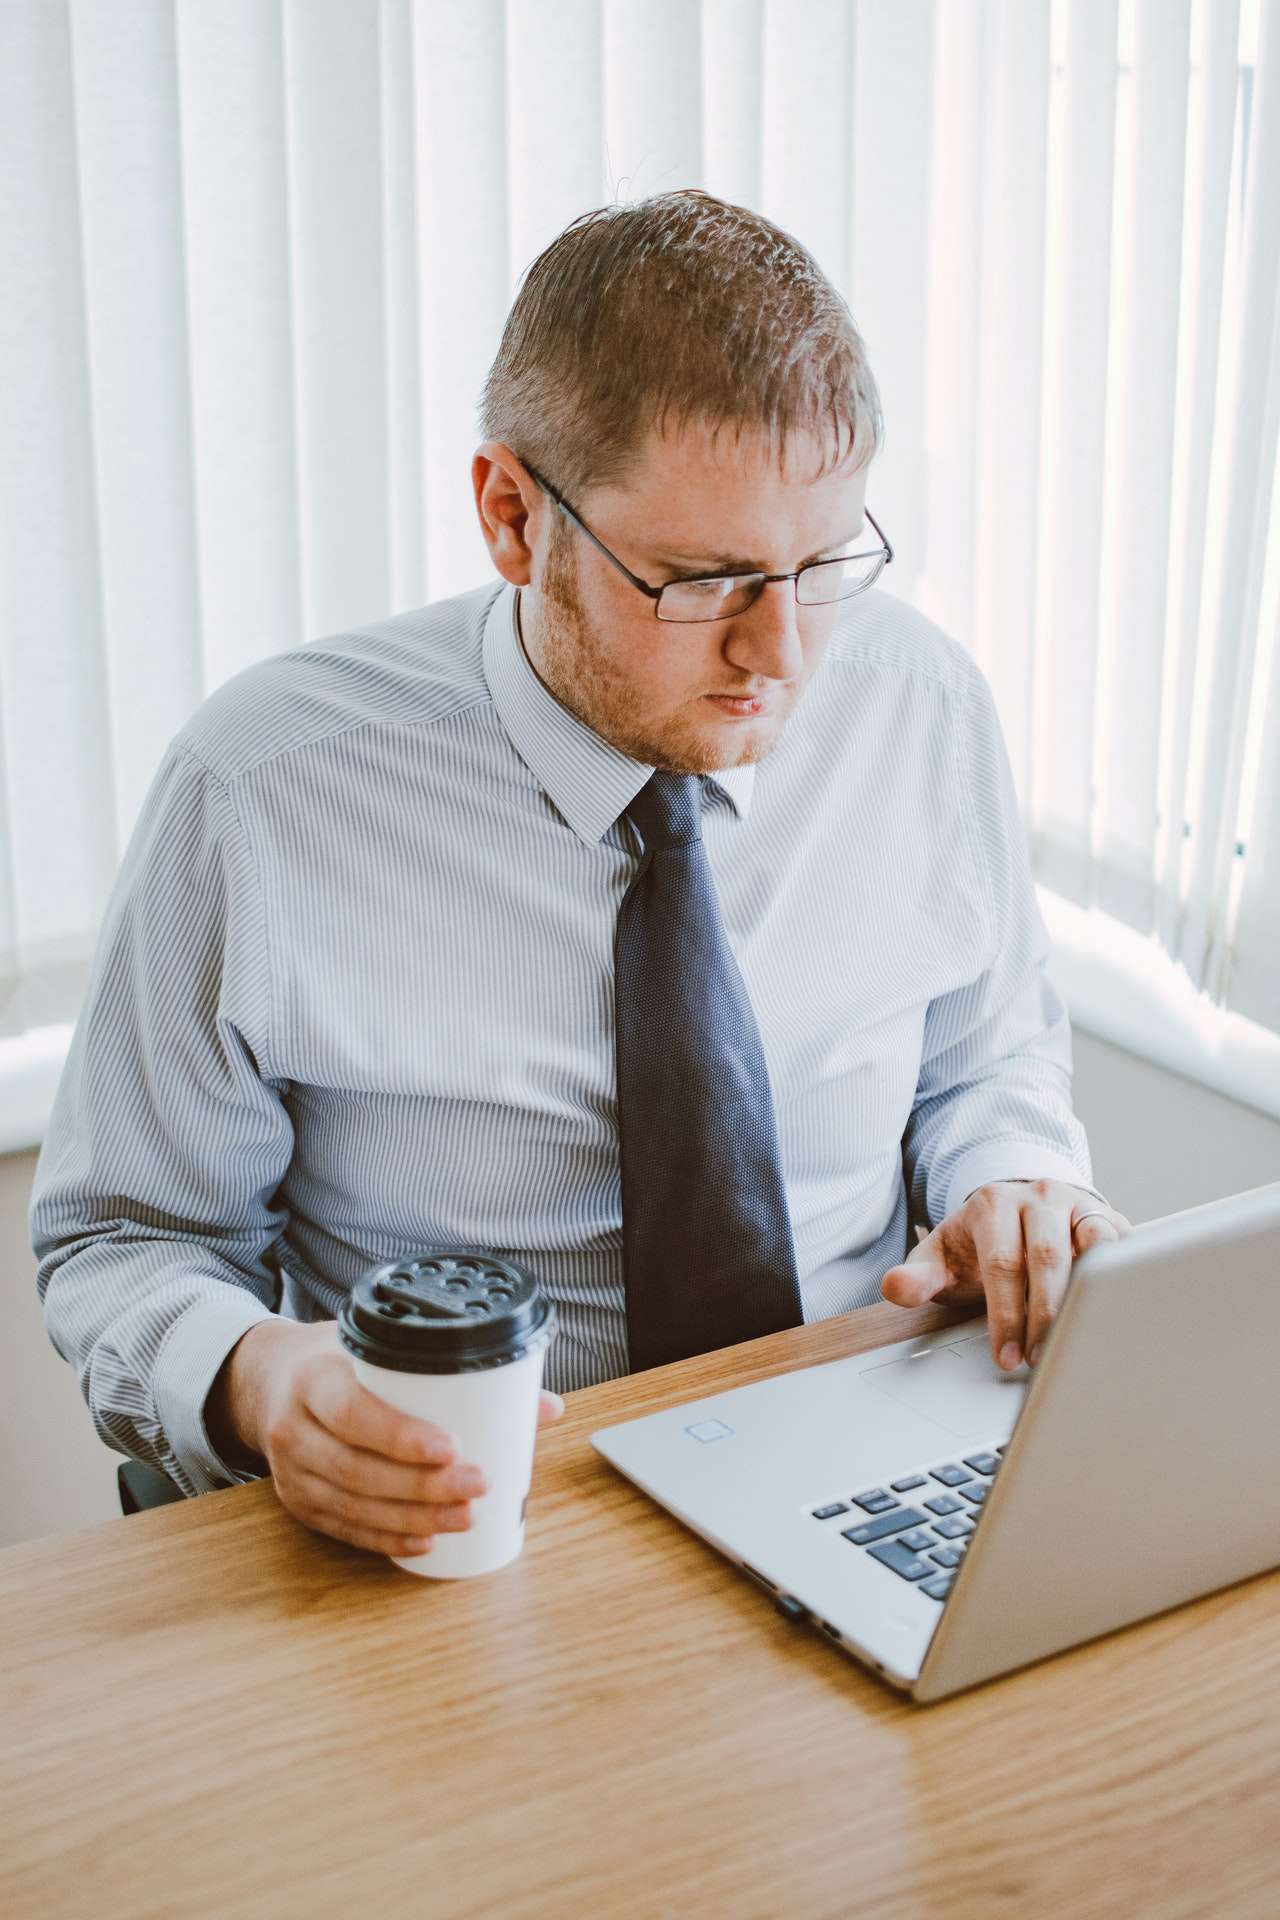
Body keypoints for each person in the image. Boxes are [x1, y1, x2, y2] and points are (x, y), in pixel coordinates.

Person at [29, 189, 1128, 1564]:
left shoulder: (921, 708)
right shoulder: (261, 793)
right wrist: (259, 1383)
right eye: (704, 579)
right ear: (510, 516)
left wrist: (1016, 1181)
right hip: (476, 1519)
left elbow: (986, 1065)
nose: (782, 654)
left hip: (858, 1467)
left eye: (822, 564)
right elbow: (125, 1237)